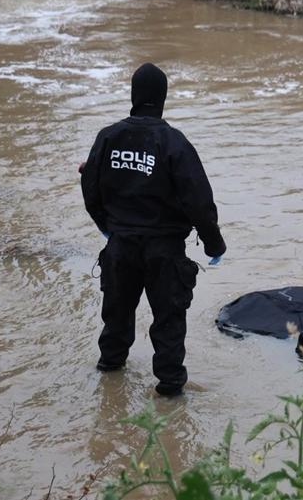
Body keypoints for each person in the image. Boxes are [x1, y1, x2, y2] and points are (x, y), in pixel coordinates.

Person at [80, 62, 226, 397]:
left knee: (115, 318)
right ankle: (171, 394)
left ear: (133, 96)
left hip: (120, 248)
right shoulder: (174, 143)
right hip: (165, 252)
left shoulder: (108, 137)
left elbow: (90, 186)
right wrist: (213, 244)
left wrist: (108, 227)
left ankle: (108, 385)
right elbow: (198, 200)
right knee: (169, 323)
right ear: (162, 98)